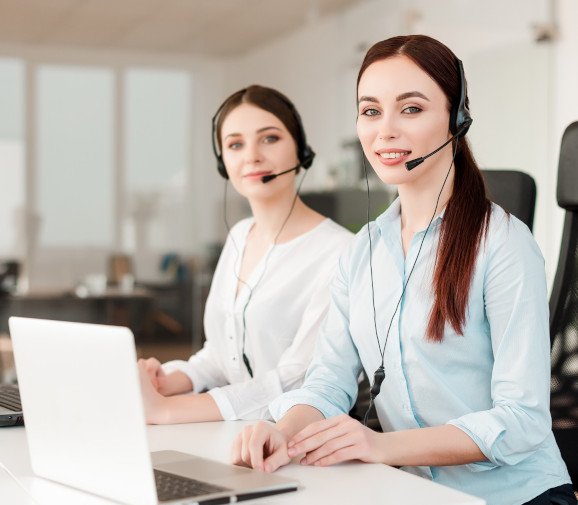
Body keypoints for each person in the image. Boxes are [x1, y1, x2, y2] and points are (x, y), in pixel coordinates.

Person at [231, 36, 575, 505]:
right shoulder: (361, 253)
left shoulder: (503, 244)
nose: (384, 131)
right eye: (371, 111)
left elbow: (522, 420)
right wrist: (282, 430)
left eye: (410, 109)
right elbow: (329, 381)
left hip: (514, 496)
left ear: (457, 119)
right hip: (410, 491)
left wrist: (380, 445)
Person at [137, 85, 352, 425]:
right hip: (229, 433)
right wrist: (167, 380)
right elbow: (222, 357)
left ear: (301, 151)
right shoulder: (239, 235)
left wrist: (168, 410)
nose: (252, 156)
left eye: (269, 139)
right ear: (224, 163)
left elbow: (298, 380)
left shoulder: (340, 252)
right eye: (235, 144)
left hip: (293, 442)